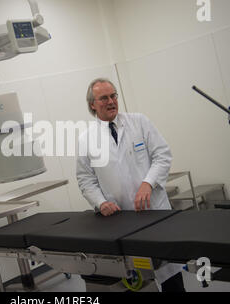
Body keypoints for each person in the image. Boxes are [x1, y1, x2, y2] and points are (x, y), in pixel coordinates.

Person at [76, 77, 185, 292]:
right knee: (137, 281)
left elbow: (162, 155)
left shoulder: (139, 122)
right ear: (92, 104)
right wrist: (100, 202)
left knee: (170, 277)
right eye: (104, 98)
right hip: (121, 220)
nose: (111, 101)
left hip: (153, 211)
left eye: (113, 95)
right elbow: (85, 179)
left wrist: (148, 183)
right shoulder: (86, 139)